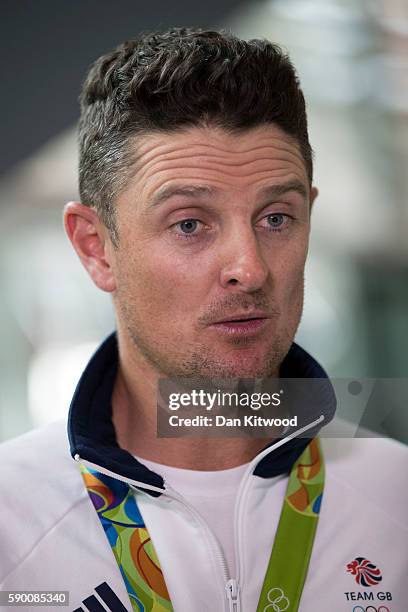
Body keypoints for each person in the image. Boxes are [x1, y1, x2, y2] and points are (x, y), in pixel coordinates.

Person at [0, 28, 407, 612]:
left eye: (275, 218)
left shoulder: (397, 496)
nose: (250, 268)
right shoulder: (11, 519)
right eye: (189, 223)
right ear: (96, 248)